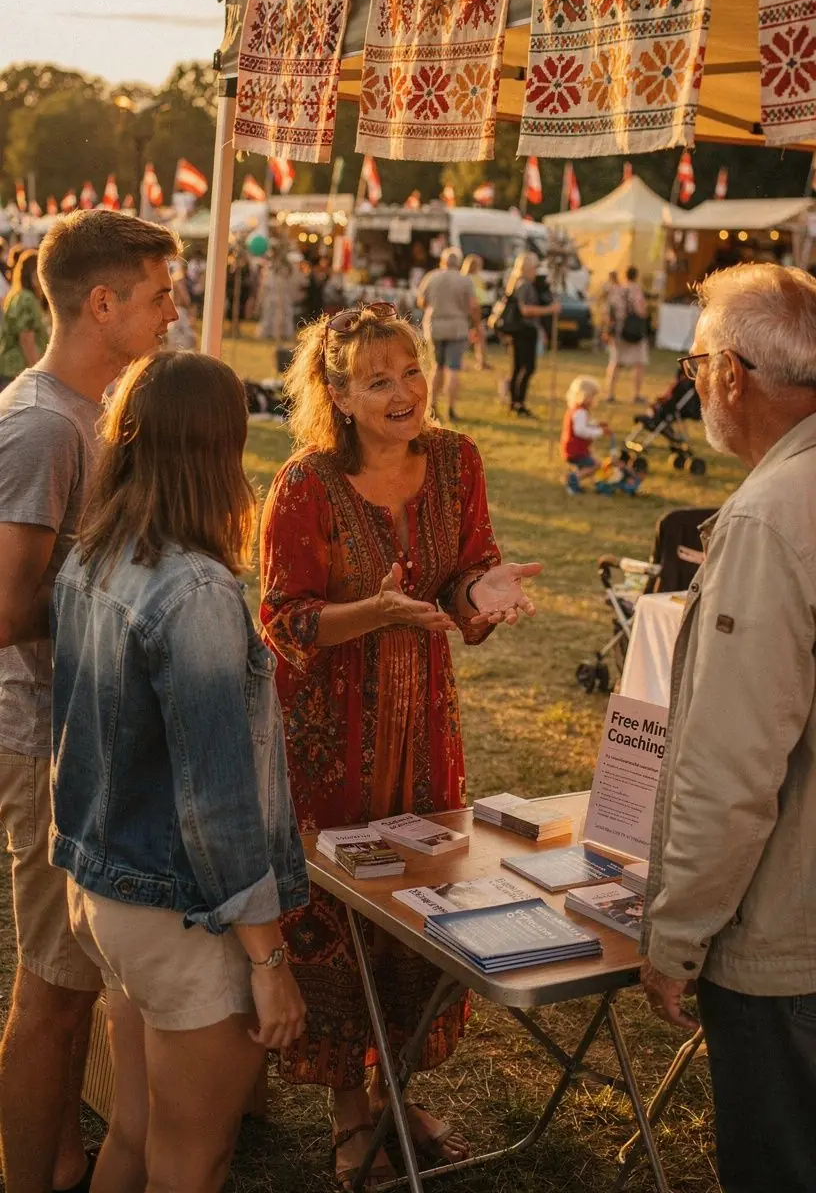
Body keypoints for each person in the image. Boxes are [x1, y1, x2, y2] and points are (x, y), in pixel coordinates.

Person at [259, 303, 542, 1190]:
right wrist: (372, 612)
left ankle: (397, 1087)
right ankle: (352, 1115)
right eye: (378, 380)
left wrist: (480, 592)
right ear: (338, 395)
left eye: (410, 370)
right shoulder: (305, 484)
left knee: (423, 906)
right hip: (327, 743)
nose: (404, 391)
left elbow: (463, 573)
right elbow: (283, 618)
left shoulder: (459, 460)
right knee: (342, 915)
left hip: (425, 733)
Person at [49, 352, 309, 1193]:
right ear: (218, 448)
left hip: (102, 893)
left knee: (133, 1133)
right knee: (194, 1159)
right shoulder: (194, 589)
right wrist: (269, 965)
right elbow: (219, 803)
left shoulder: (94, 556)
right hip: (178, 912)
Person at [0, 209, 180, 1193]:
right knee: (52, 991)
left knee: (75, 981)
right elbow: (6, 607)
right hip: (37, 736)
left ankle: (66, 1162)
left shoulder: (88, 412)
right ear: (102, 303)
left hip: (80, 734)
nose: (174, 312)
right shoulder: (40, 424)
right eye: (160, 295)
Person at [639, 264, 816, 1193]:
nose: (694, 378)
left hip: (791, 949)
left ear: (734, 377)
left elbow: (732, 765)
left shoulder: (769, 517)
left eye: (698, 360)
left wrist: (676, 938)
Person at [416, 246, 480, 421]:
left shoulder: (431, 277)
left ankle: (432, 404)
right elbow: (473, 306)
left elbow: (421, 301)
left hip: (435, 326)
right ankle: (451, 408)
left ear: (442, 261)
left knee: (437, 366)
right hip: (457, 327)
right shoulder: (464, 281)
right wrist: (476, 324)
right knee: (453, 369)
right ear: (458, 263)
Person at [502, 253, 560, 418]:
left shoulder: (516, 283)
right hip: (524, 330)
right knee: (527, 367)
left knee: (518, 367)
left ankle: (515, 402)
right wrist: (550, 310)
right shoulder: (525, 285)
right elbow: (525, 310)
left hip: (519, 331)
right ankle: (518, 401)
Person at [0, 249, 49, 392]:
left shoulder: (17, 295)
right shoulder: (27, 299)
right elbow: (26, 338)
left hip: (11, 370)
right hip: (18, 370)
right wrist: (37, 375)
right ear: (34, 274)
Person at [604, 265, 649, 403]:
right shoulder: (636, 290)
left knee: (615, 363)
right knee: (639, 363)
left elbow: (608, 311)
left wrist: (607, 330)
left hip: (617, 331)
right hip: (633, 332)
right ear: (636, 276)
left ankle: (610, 394)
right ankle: (636, 394)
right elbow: (640, 310)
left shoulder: (617, 290)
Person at [561, 377, 608, 494]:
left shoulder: (576, 410)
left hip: (573, 448)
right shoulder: (580, 412)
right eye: (593, 397)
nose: (594, 400)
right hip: (576, 450)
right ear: (584, 396)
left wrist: (597, 425)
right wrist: (600, 432)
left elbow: (584, 425)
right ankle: (573, 479)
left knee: (585, 465)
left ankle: (573, 480)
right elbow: (581, 431)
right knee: (595, 465)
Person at [460, 254, 491, 371]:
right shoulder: (465, 279)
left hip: (479, 309)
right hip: (470, 310)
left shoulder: (477, 278)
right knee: (472, 336)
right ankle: (462, 362)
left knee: (479, 336)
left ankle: (481, 362)